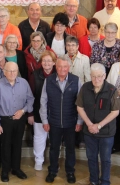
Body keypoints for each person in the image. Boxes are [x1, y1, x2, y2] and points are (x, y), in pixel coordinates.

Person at [76, 63, 120, 185]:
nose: (96, 79)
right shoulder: (85, 87)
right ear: (90, 76)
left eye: (99, 76)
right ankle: (94, 180)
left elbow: (115, 111)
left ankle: (105, 181)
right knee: (91, 158)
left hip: (106, 132)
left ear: (104, 76)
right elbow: (79, 107)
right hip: (89, 131)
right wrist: (90, 124)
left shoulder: (112, 90)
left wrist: (99, 125)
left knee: (105, 159)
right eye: (94, 76)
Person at [40, 56, 83, 184]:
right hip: (53, 122)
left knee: (70, 148)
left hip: (71, 122)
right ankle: (52, 171)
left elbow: (81, 104)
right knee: (54, 148)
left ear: (68, 67)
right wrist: (44, 121)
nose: (62, 69)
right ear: (55, 67)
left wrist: (79, 121)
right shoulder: (49, 80)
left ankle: (70, 172)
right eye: (59, 66)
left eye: (65, 66)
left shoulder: (76, 80)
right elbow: (43, 102)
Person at [0, 62, 34, 182]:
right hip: (5, 121)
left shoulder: (24, 83)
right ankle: (5, 171)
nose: (12, 73)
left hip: (20, 120)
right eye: (9, 71)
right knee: (5, 146)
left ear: (18, 70)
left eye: (14, 70)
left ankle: (16, 168)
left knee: (17, 145)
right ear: (4, 72)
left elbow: (30, 99)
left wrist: (23, 111)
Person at [31, 50, 56, 171]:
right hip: (38, 111)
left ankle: (54, 161)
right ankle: (38, 161)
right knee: (39, 138)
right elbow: (30, 95)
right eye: (44, 60)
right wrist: (30, 114)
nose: (46, 63)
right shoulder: (35, 74)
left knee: (55, 138)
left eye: (49, 61)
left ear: (54, 62)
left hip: (56, 112)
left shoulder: (59, 73)